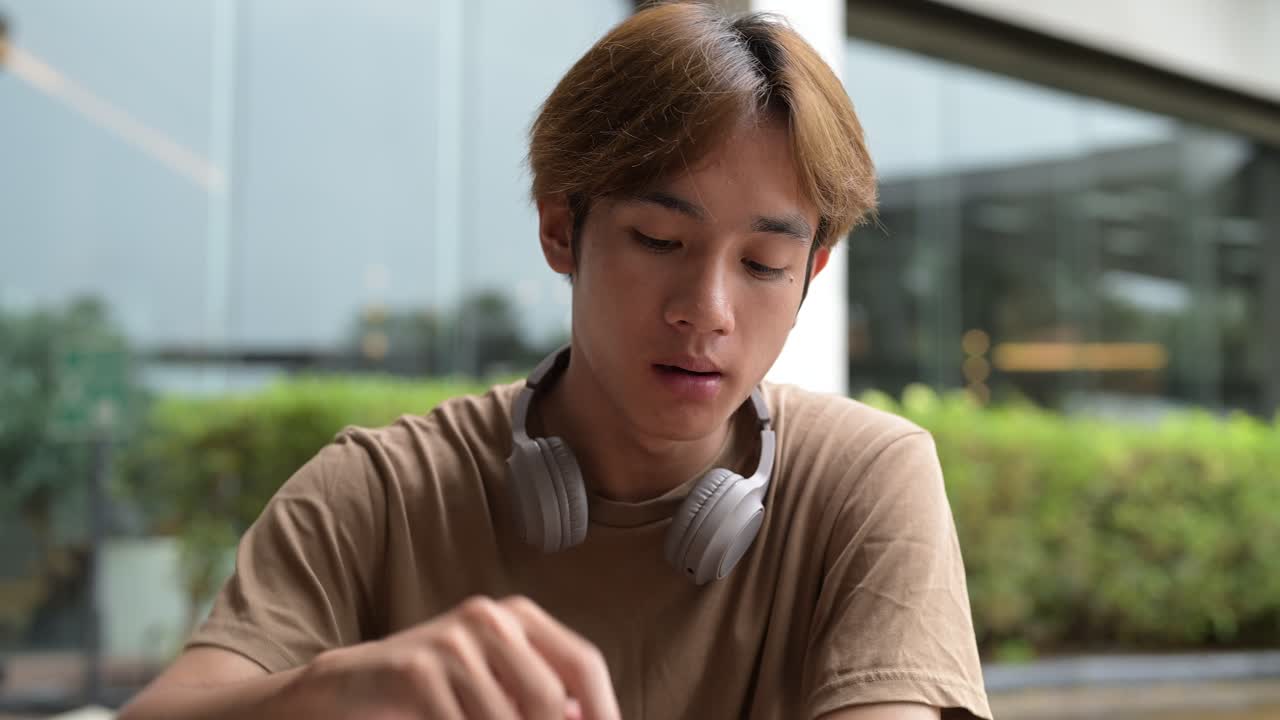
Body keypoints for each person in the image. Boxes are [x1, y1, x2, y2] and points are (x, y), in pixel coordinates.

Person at [119, 3, 991, 719]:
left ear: (813, 273)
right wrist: (336, 686)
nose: (707, 311)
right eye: (658, 239)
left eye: (764, 264)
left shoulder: (867, 482)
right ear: (558, 228)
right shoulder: (381, 492)